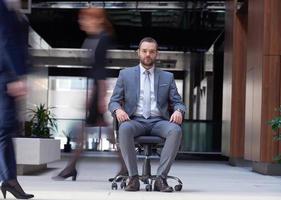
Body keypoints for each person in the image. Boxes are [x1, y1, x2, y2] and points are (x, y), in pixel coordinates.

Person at [52, 7, 127, 181]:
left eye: (84, 18)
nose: (81, 22)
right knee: (97, 132)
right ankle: (123, 167)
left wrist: (99, 97)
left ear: (96, 19)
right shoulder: (95, 39)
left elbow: (101, 71)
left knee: (88, 132)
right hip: (93, 88)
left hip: (96, 89)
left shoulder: (103, 39)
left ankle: (71, 168)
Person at [108, 37, 186, 192]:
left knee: (175, 130)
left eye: (151, 51)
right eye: (144, 51)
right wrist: (118, 110)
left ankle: (160, 179)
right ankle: (133, 178)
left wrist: (178, 110)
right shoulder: (125, 75)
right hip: (134, 120)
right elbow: (113, 101)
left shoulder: (167, 77)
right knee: (124, 128)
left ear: (157, 54)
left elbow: (178, 102)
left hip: (159, 122)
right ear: (138, 53)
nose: (147, 54)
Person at [0, 0, 34, 199]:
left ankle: (10, 179)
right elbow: (5, 41)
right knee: (4, 130)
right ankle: (9, 179)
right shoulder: (3, 8)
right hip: (6, 77)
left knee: (8, 129)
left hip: (11, 77)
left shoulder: (14, 10)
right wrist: (15, 77)